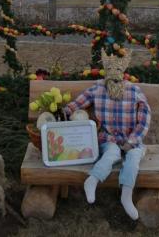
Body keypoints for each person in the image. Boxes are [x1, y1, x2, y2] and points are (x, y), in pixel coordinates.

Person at [63, 49, 150, 220]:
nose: (113, 75)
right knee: (112, 153)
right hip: (108, 138)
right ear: (105, 72)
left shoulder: (134, 91)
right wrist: (64, 111)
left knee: (133, 157)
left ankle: (126, 196)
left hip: (131, 139)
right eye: (110, 71)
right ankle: (93, 179)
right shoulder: (97, 88)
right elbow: (79, 103)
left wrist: (132, 140)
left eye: (117, 71)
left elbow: (145, 118)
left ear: (123, 72)